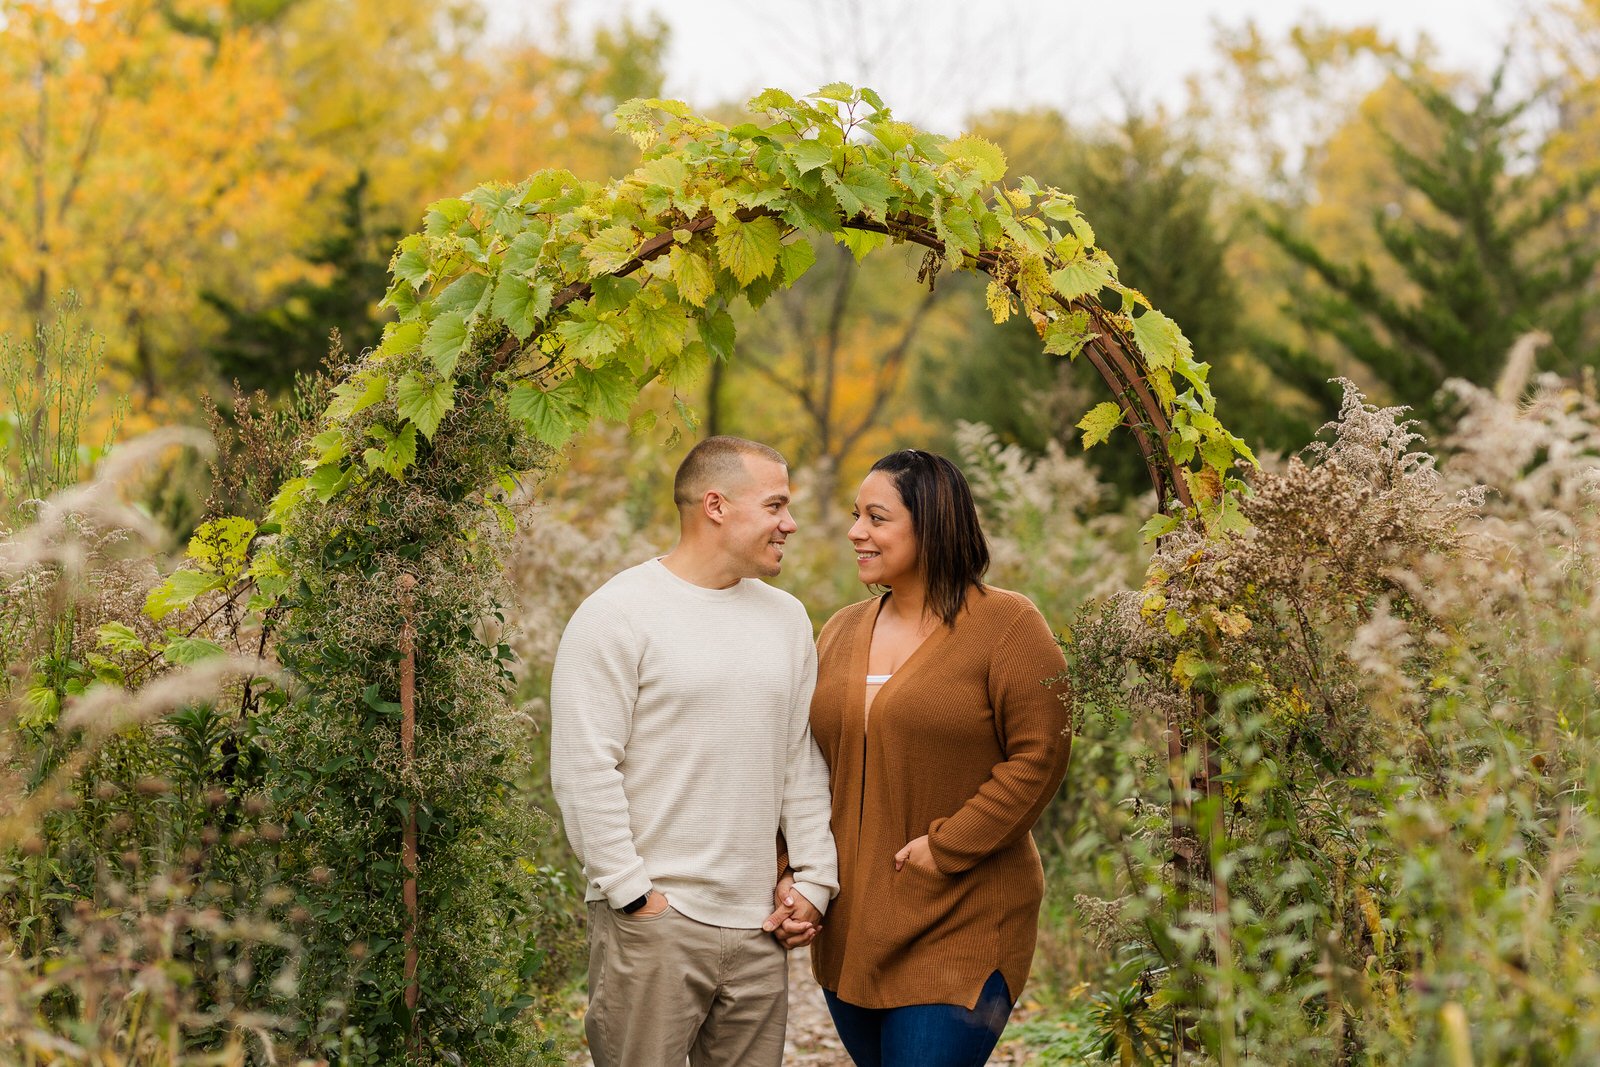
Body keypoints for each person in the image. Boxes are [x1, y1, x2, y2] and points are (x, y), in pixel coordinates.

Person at [550, 435, 839, 1067]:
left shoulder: (786, 619)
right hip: (655, 924)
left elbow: (798, 759)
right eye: (775, 505)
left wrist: (815, 878)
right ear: (715, 505)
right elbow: (584, 766)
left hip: (760, 928)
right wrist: (632, 894)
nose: (789, 523)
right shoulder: (618, 613)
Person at [789, 448, 1072, 1067]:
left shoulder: (1006, 624)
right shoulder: (838, 630)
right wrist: (791, 867)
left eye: (876, 517)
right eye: (855, 515)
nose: (854, 531)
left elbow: (1039, 756)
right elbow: (805, 764)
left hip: (960, 917)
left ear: (933, 523)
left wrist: (946, 848)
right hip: (854, 929)